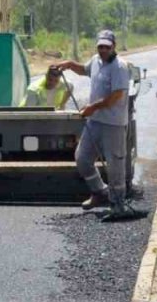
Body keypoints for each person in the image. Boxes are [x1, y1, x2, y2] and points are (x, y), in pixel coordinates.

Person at [55, 30, 146, 222]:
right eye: (100, 46)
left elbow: (116, 97)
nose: (103, 50)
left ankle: (118, 204)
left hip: (113, 123)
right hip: (95, 121)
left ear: (114, 47)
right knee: (82, 158)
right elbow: (84, 70)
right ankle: (99, 192)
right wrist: (70, 64)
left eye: (107, 47)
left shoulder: (119, 68)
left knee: (115, 164)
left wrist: (92, 107)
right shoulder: (96, 61)